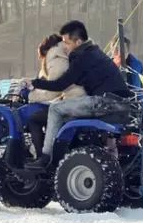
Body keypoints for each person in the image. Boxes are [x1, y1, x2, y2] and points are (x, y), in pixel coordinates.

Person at [26, 20, 132, 169]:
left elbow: (60, 84)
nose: (65, 48)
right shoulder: (95, 52)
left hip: (104, 102)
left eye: (67, 43)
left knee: (55, 109)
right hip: (123, 102)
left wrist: (34, 83)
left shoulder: (81, 58)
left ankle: (45, 157)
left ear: (78, 41)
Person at [27, 34, 86, 158]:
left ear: (44, 51)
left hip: (74, 102)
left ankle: (41, 158)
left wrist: (30, 96)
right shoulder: (67, 52)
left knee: (34, 119)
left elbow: (53, 90)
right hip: (81, 98)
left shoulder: (55, 56)